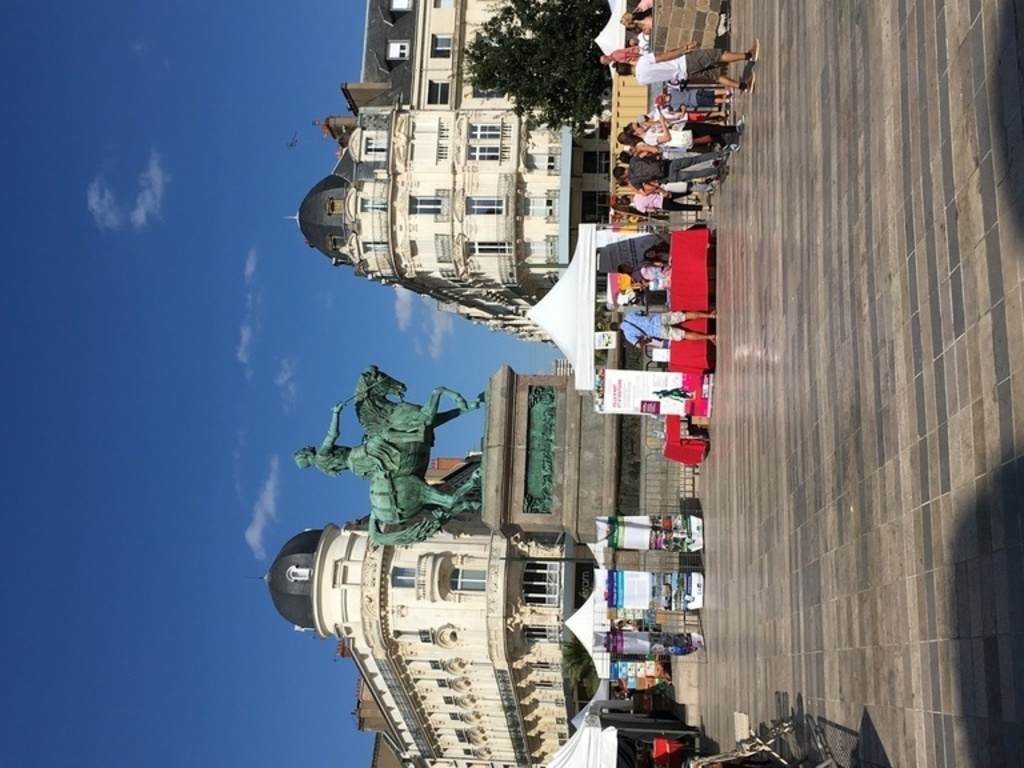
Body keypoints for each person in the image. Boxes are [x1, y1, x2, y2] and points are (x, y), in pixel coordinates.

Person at [619, 39, 759, 91]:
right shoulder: (642, 62)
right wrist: (685, 47)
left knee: (715, 75)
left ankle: (742, 85)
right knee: (717, 55)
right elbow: (664, 57)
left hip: (682, 75)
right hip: (682, 63)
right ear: (627, 62)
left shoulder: (641, 81)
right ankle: (748, 55)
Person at [611, 310, 717, 347]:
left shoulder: (628, 335)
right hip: (658, 318)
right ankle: (710, 316)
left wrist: (645, 341)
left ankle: (710, 337)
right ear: (617, 322)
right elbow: (643, 313)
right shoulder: (629, 316)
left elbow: (638, 345)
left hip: (657, 332)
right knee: (684, 316)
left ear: (617, 330)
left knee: (684, 334)